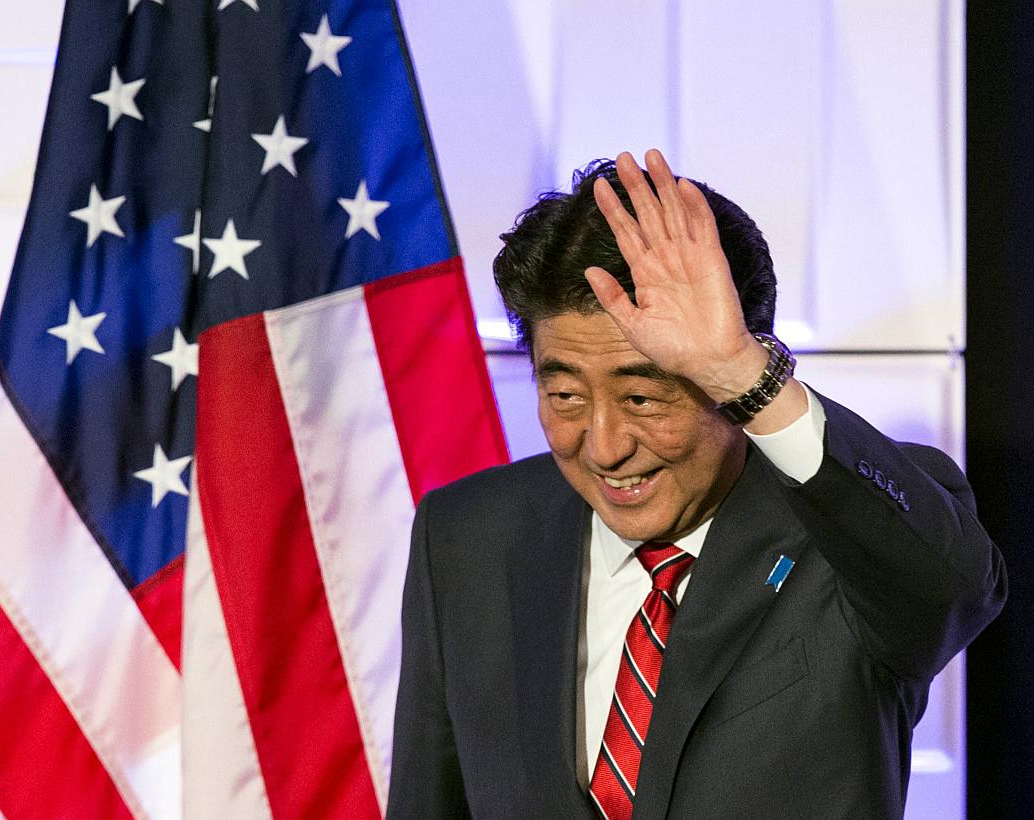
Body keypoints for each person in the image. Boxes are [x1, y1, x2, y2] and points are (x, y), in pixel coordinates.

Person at [387, 150, 1006, 819]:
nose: (603, 446)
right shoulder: (469, 535)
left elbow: (956, 589)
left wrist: (745, 373)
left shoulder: (846, 530)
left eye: (644, 399)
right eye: (563, 394)